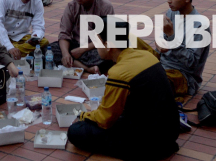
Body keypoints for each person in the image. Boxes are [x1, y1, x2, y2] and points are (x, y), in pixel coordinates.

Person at [67, 18, 180, 161]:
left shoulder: (119, 72)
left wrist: (83, 115)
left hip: (152, 144)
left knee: (76, 131)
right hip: (170, 132)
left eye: (97, 42)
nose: (96, 46)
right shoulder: (147, 56)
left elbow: (104, 119)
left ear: (108, 45)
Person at [49, 0, 114, 73]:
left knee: (111, 54)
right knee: (50, 50)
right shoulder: (71, 6)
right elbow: (64, 34)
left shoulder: (105, 7)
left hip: (95, 47)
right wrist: (66, 54)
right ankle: (86, 67)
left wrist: (82, 50)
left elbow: (107, 37)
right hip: (76, 45)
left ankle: (76, 64)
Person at [159, 0, 210, 100]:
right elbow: (161, 42)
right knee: (132, 49)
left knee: (154, 83)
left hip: (183, 75)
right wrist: (160, 42)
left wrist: (172, 38)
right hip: (162, 64)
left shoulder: (200, 25)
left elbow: (191, 63)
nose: (168, 1)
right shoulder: (172, 13)